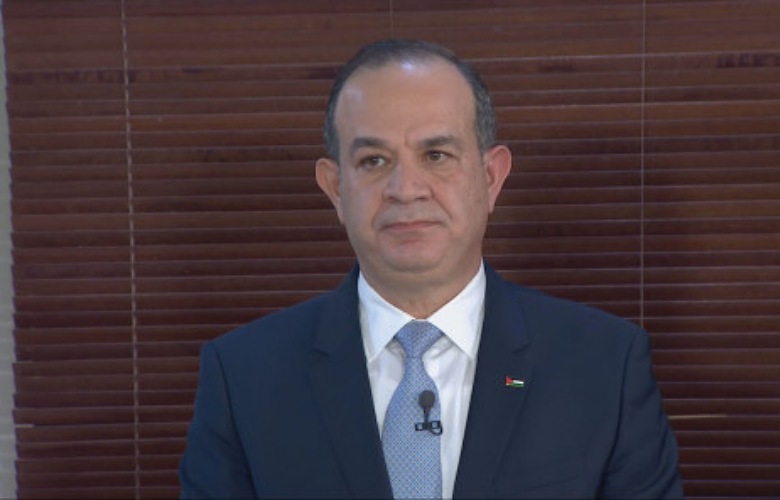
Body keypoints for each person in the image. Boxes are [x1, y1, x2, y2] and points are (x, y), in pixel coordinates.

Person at [179, 39, 683, 499]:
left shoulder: (604, 367)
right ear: (335, 188)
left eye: (436, 155)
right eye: (374, 161)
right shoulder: (244, 378)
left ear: (491, 177)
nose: (406, 189)